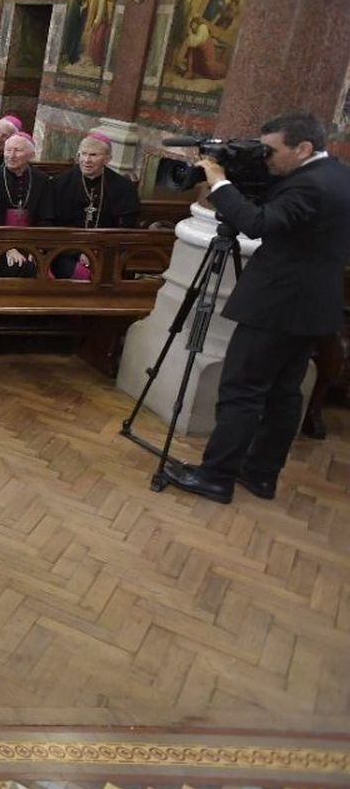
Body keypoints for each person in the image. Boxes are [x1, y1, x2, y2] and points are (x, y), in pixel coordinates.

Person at [166, 112, 350, 504]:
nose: (266, 158)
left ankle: (215, 477)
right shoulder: (336, 175)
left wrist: (220, 182)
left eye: (272, 150)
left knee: (242, 391)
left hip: (276, 305)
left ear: (302, 148)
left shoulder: (308, 187)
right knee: (284, 392)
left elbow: (257, 223)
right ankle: (261, 475)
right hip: (313, 306)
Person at [51, 131, 141, 278]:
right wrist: (78, 252)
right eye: (83, 154)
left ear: (107, 159)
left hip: (108, 251)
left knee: (112, 277)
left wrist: (101, 251)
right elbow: (53, 224)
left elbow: (127, 227)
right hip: (66, 251)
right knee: (77, 274)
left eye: (93, 155)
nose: (87, 160)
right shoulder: (60, 183)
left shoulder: (123, 187)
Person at [0, 131, 53, 277]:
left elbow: (46, 217)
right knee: (14, 267)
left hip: (32, 241)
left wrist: (36, 248)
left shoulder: (42, 180)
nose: (11, 155)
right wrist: (7, 247)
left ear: (31, 155)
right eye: (8, 150)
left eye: (18, 151)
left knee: (34, 267)